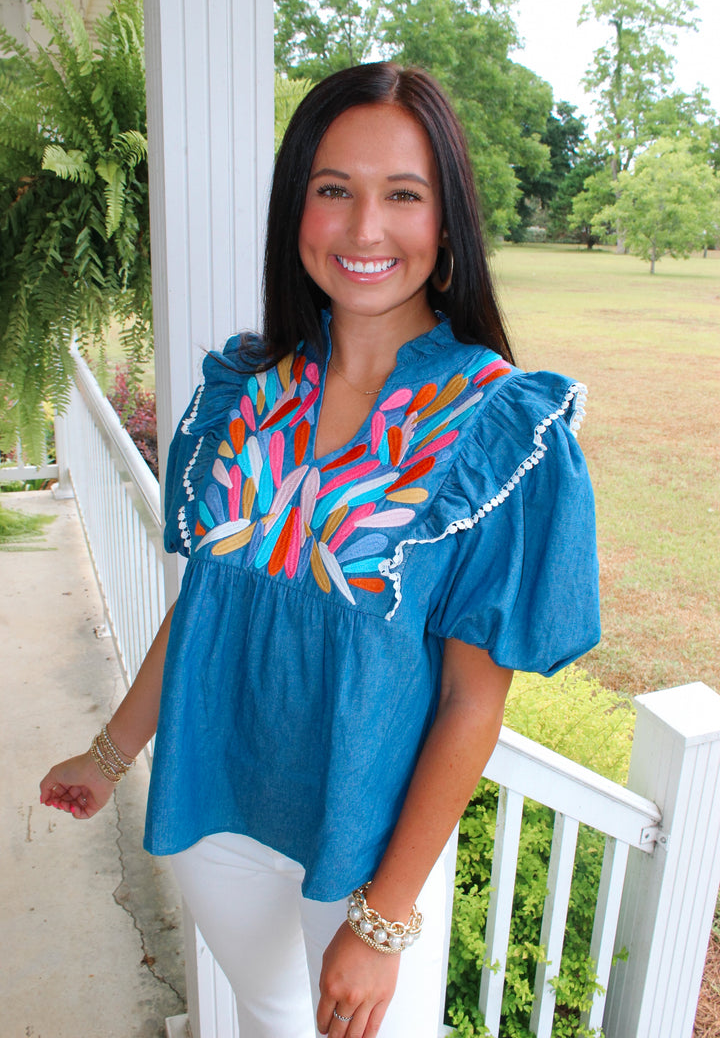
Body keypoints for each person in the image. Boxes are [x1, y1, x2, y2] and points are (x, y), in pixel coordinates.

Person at [40, 62, 600, 1038]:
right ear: (296, 206)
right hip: (218, 817)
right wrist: (109, 750)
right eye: (332, 189)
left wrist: (383, 923)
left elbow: (475, 700)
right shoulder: (245, 391)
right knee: (266, 1020)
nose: (364, 228)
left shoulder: (493, 425)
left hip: (364, 849)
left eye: (403, 194)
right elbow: (214, 605)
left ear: (447, 219)